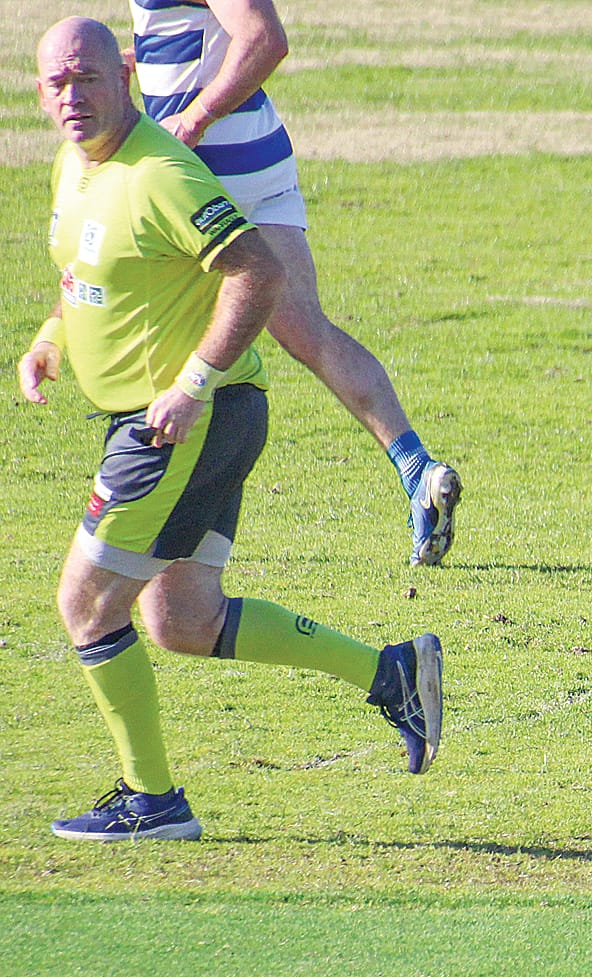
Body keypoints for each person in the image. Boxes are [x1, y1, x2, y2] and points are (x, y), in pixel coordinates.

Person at [21, 16, 444, 842]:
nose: (73, 96)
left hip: (180, 422)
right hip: (205, 416)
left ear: (127, 76)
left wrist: (191, 382)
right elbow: (89, 275)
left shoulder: (160, 176)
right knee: (182, 621)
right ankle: (392, 672)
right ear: (39, 93)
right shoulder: (75, 167)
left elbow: (257, 271)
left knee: (85, 602)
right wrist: (50, 339)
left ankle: (154, 802)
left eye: (87, 78)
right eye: (56, 83)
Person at [126, 0, 462, 567]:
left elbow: (264, 37)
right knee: (309, 330)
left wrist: (193, 119)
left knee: (160, 325)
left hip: (209, 164)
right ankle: (416, 468)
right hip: (255, 153)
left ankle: (159, 520)